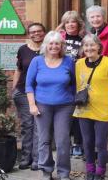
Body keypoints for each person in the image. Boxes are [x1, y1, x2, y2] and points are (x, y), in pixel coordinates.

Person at [26, 31, 75, 180]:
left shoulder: (68, 61)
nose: (54, 46)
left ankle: (63, 173)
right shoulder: (37, 61)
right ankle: (46, 171)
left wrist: (72, 100)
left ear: (62, 46)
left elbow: (74, 84)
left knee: (62, 141)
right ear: (46, 45)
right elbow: (29, 85)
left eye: (57, 44)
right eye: (51, 43)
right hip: (42, 106)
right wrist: (32, 105)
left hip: (64, 106)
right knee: (44, 140)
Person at [73, 34, 108, 180]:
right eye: (86, 45)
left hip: (104, 109)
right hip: (84, 109)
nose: (89, 48)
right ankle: (90, 171)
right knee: (87, 142)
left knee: (101, 143)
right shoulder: (79, 64)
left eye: (92, 45)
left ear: (99, 47)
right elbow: (78, 86)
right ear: (83, 48)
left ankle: (100, 172)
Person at [86, 5, 108, 159]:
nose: (95, 19)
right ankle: (96, 149)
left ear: (104, 17)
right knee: (94, 114)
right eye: (92, 17)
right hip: (94, 80)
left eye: (98, 16)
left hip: (107, 77)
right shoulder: (90, 34)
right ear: (88, 19)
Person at [12, 22, 45, 171]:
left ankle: (37, 160)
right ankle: (25, 158)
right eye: (33, 32)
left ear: (44, 33)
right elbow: (18, 70)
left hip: (42, 93)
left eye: (39, 31)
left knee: (39, 127)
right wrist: (13, 89)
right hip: (23, 92)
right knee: (27, 126)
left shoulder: (48, 49)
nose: (36, 34)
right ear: (28, 34)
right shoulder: (23, 50)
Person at [57, 10, 86, 157]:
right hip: (61, 82)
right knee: (63, 114)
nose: (70, 25)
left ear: (78, 24)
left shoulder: (84, 39)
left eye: (72, 21)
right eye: (67, 22)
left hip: (78, 82)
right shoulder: (58, 38)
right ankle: (64, 143)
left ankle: (77, 144)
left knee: (78, 114)